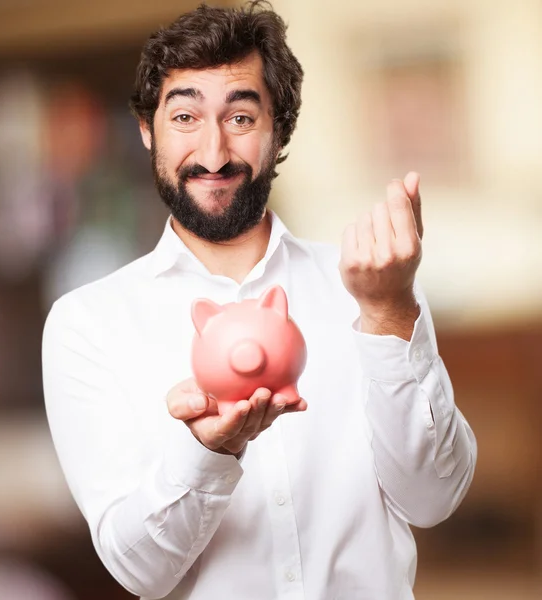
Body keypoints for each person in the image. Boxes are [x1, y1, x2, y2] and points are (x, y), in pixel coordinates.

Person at [41, 2, 477, 599]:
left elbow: (433, 500)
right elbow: (138, 571)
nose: (214, 153)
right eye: (186, 115)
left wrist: (388, 313)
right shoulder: (87, 324)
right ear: (148, 130)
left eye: (241, 117)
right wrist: (206, 451)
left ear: (280, 130)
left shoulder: (375, 286)